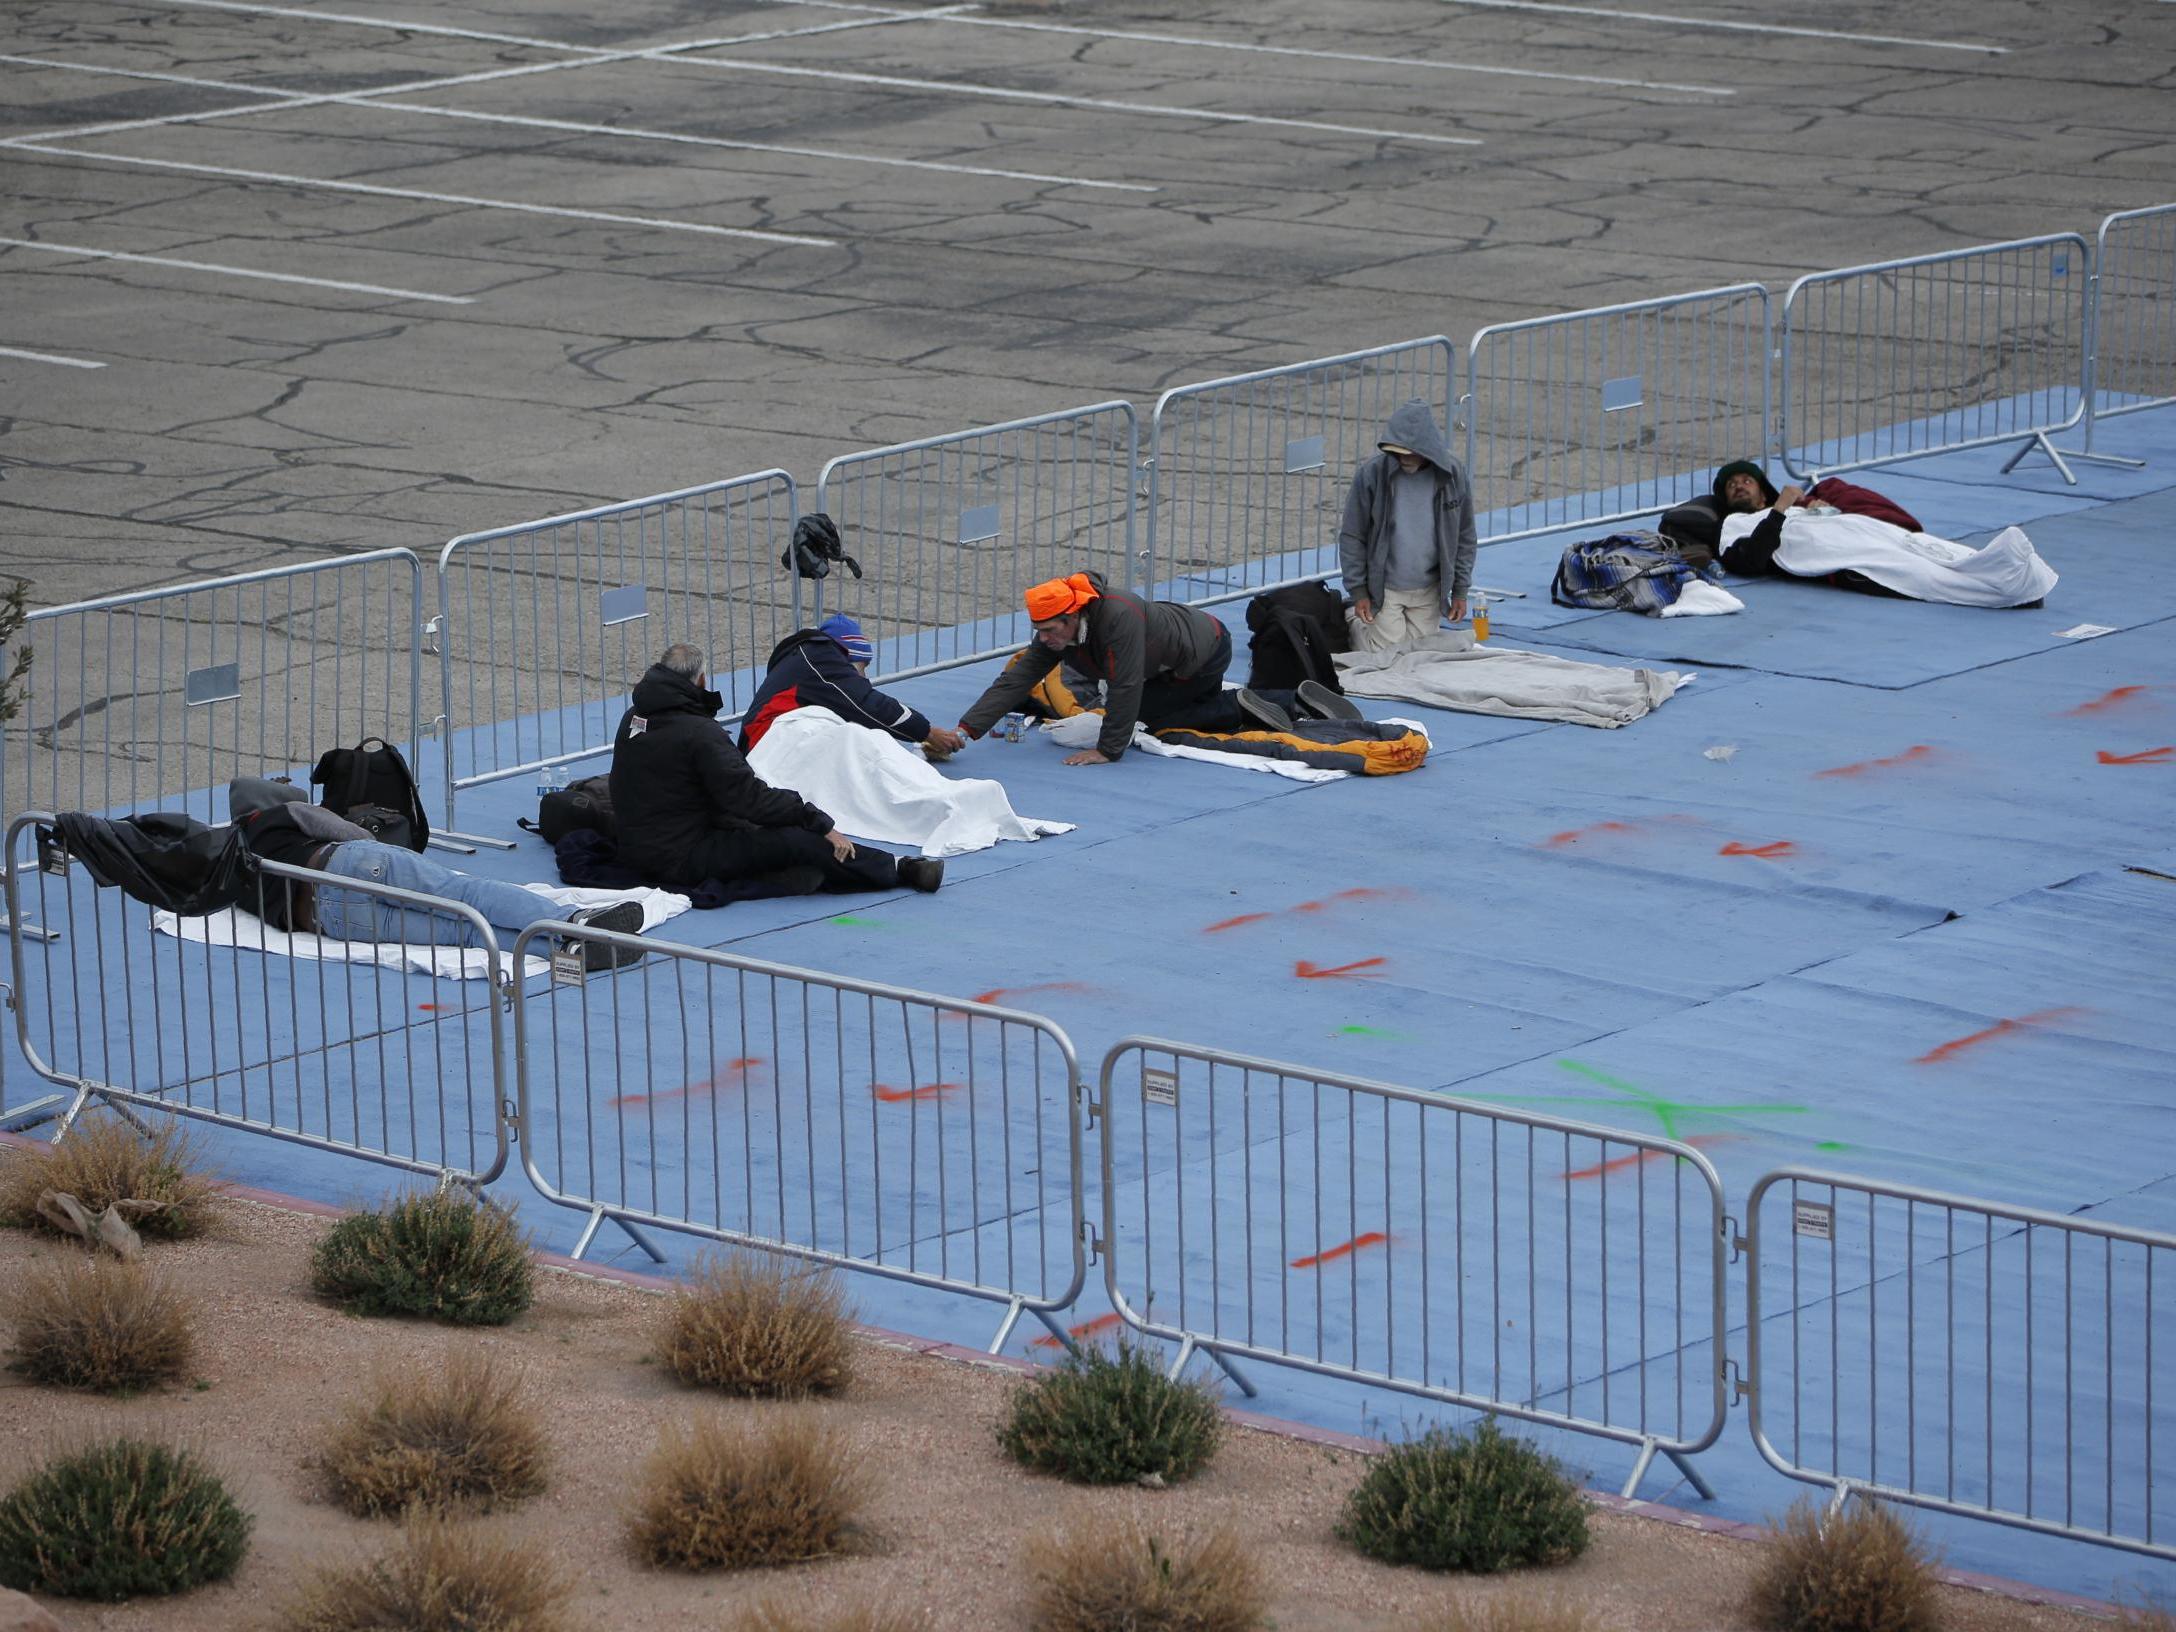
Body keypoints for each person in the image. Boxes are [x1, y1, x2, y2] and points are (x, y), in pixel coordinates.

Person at [610, 643, 944, 894]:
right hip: (681, 855)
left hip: (640, 845)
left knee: (758, 832)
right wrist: (816, 820)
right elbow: (750, 799)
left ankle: (788, 876)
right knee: (797, 840)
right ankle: (898, 869)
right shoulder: (700, 733)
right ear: (700, 680)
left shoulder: (634, 717)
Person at [228, 779, 644, 969]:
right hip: (345, 866)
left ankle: (564, 954)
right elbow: (347, 833)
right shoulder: (283, 813)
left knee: (464, 933)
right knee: (465, 893)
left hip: (329, 921)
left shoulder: (232, 858)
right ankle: (573, 922)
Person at [954, 572, 1353, 766]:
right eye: (1037, 631)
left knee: (1151, 720)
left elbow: (1126, 686)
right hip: (1166, 659)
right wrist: (963, 731)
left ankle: (1259, 705)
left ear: (1072, 615)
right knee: (1150, 710)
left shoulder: (1117, 618)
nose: (1043, 639)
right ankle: (1267, 700)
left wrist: (1107, 751)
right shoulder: (1059, 630)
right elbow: (1017, 678)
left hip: (1204, 652)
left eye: (1049, 630)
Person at [1712, 460, 2056, 608]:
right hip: (1851, 557)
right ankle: (2009, 596)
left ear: (1761, 489)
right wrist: (1779, 510)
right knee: (1926, 577)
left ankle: (2020, 572)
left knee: (1939, 551)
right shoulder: (1735, 525)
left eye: (1746, 480)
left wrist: (1812, 505)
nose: (1739, 486)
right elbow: (1751, 560)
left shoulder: (1799, 504)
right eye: (1732, 485)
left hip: (1868, 533)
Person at [1338, 399, 1479, 652]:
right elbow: (1352, 535)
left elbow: (1465, 536)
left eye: (1407, 452)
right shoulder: (1371, 474)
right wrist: (1359, 592)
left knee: (1419, 652)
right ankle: (1351, 618)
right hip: (1385, 588)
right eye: (1394, 452)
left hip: (1428, 589)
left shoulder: (1453, 474)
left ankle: (1382, 626)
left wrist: (1459, 590)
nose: (1401, 459)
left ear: (1426, 449)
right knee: (1385, 653)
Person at [739, 613, 967, 759]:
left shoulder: (808, 658)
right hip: (767, 744)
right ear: (849, 654)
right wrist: (926, 732)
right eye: (863, 665)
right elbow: (868, 704)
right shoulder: (822, 658)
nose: (864, 675)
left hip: (764, 742)